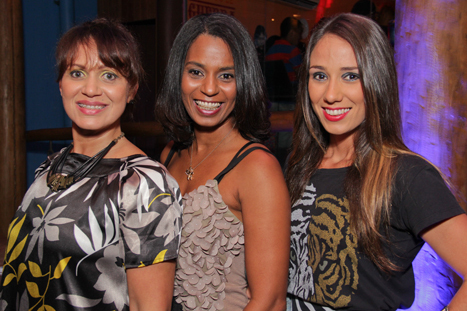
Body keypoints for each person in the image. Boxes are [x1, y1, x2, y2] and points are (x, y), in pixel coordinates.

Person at [286, 13, 467, 311]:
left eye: (351, 76)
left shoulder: (406, 176)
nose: (331, 94)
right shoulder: (299, 165)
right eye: (320, 75)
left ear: (376, 80)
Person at [0, 18, 182, 311]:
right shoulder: (51, 167)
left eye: (109, 75)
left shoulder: (144, 183)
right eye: (77, 72)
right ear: (61, 84)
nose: (91, 89)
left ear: (132, 89)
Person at [156, 13, 291, 311]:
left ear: (243, 82)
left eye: (226, 75)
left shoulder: (257, 168)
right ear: (178, 74)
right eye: (196, 72)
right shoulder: (169, 154)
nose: (209, 88)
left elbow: (269, 302)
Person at [265, 16, 303, 85]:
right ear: (292, 33)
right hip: (291, 93)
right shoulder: (293, 51)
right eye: (299, 33)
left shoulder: (269, 51)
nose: (300, 37)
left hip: (273, 93)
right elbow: (301, 77)